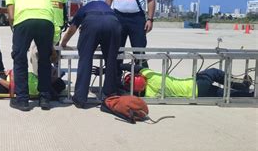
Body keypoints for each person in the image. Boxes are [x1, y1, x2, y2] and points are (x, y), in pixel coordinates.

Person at [60, 1, 122, 108]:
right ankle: (109, 95)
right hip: (113, 23)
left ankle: (80, 98)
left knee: (85, 59)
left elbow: (72, 29)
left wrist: (64, 43)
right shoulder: (108, 9)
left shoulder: (84, 9)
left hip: (92, 23)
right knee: (111, 60)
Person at [6, 0, 55, 111]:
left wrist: (16, 33)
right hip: (47, 21)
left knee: (20, 58)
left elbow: (11, 17)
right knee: (44, 59)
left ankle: (22, 100)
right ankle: (44, 99)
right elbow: (51, 11)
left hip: (24, 20)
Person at [93, 64, 254, 98]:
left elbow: (122, 88)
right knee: (214, 72)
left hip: (196, 94)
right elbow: (134, 66)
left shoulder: (148, 94)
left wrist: (104, 73)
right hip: (195, 84)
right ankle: (241, 84)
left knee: (221, 93)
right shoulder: (152, 77)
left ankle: (248, 94)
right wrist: (110, 67)